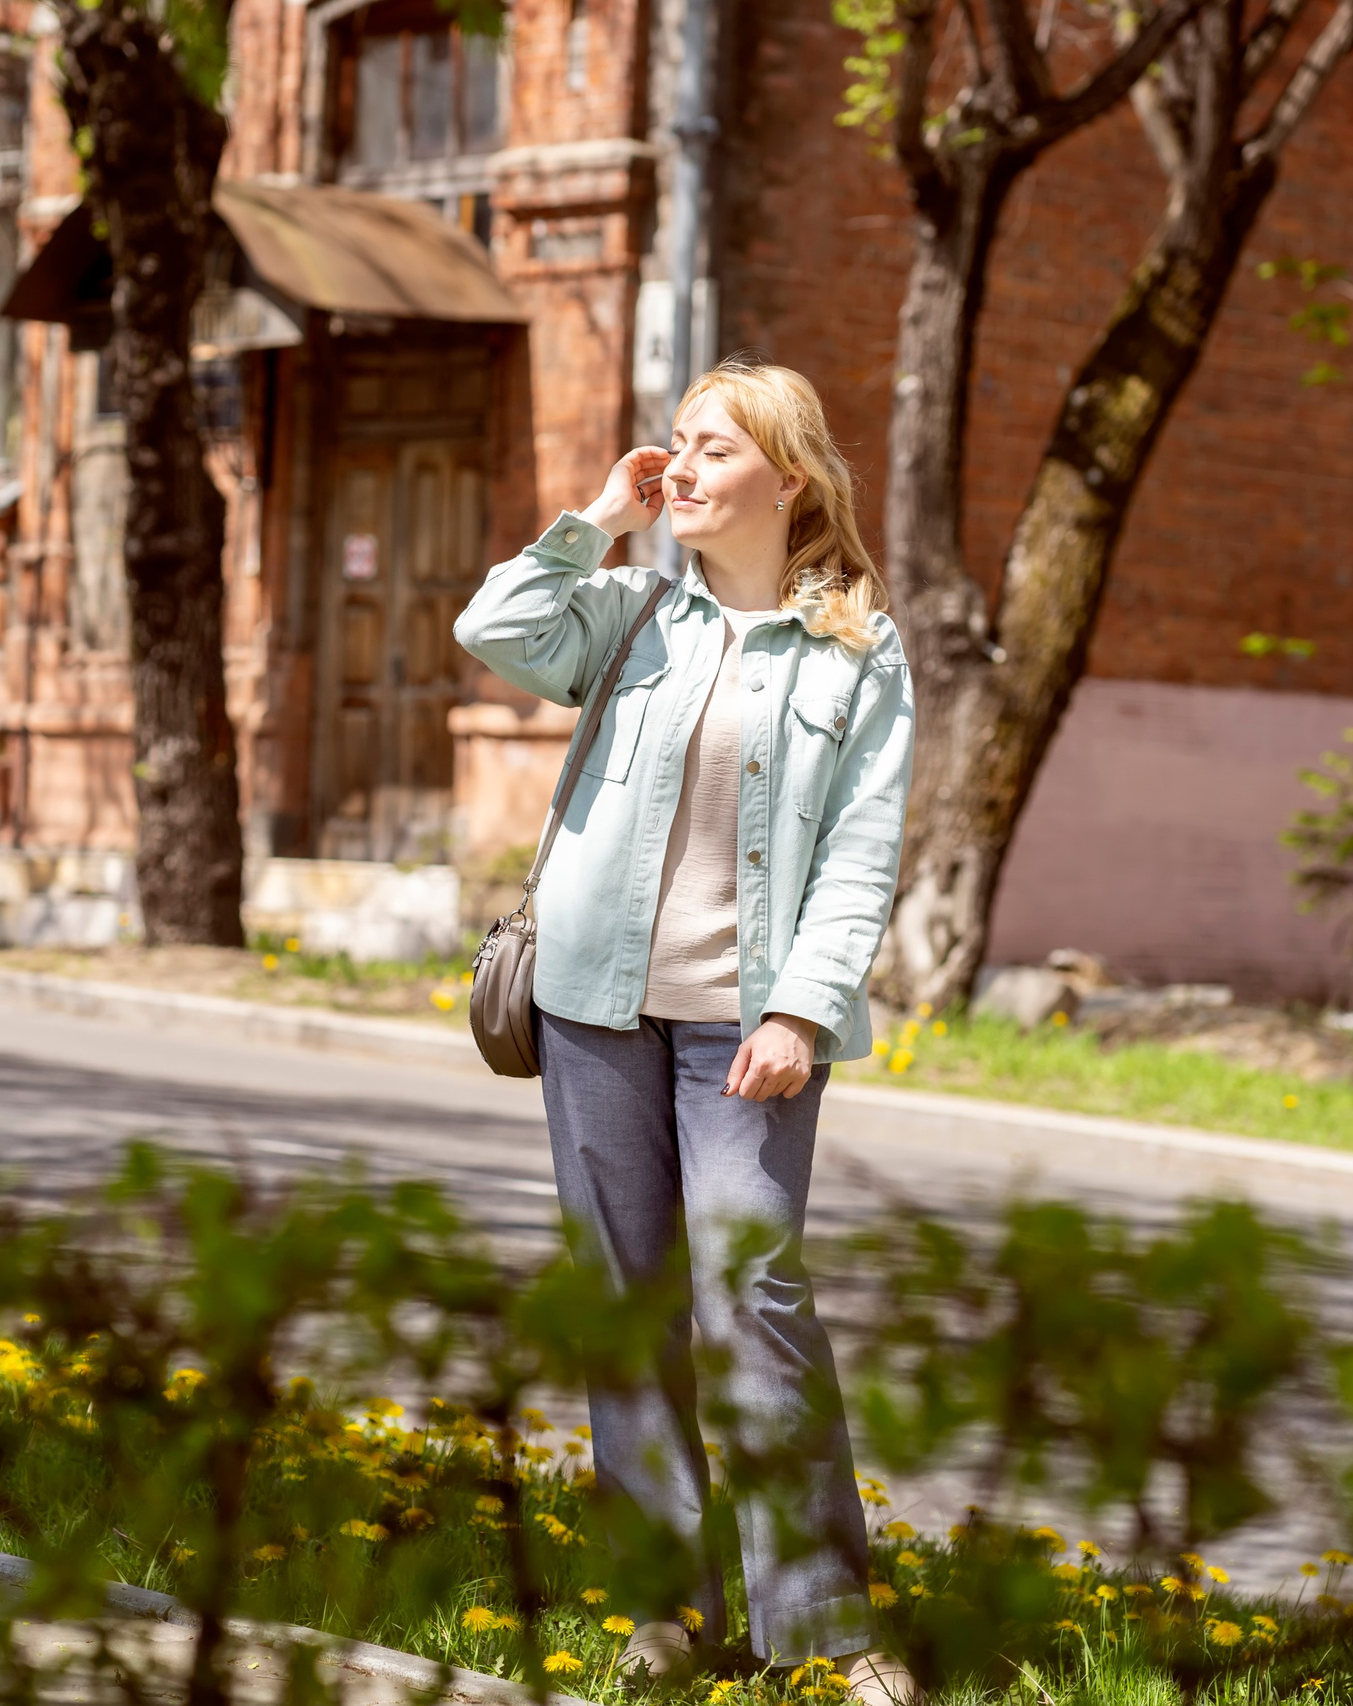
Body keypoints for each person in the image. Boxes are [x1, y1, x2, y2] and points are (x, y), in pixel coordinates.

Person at [453, 358, 916, 1698]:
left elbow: (862, 850)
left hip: (747, 1031)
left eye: (712, 449)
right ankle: (663, 1608)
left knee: (753, 1293)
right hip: (595, 1005)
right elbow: (496, 624)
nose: (686, 467)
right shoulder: (633, 610)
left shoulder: (856, 647)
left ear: (791, 476)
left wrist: (800, 1006)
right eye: (678, 446)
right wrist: (597, 515)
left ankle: (826, 1625)